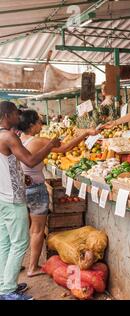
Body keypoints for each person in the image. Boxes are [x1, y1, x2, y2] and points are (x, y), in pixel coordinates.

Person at [18, 110, 99, 278]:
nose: (42, 125)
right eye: (39, 122)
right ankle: (33, 267)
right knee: (37, 230)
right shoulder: (38, 141)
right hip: (36, 189)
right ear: (32, 125)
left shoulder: (18, 140)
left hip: (23, 188)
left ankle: (19, 264)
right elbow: (65, 148)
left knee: (26, 229)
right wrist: (85, 133)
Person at [0, 102, 60, 300]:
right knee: (19, 243)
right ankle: (7, 291)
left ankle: (4, 283)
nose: (20, 118)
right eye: (17, 114)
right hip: (12, 198)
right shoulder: (8, 136)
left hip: (2, 196)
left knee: (6, 243)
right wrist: (50, 145)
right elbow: (31, 161)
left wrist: (18, 176)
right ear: (7, 115)